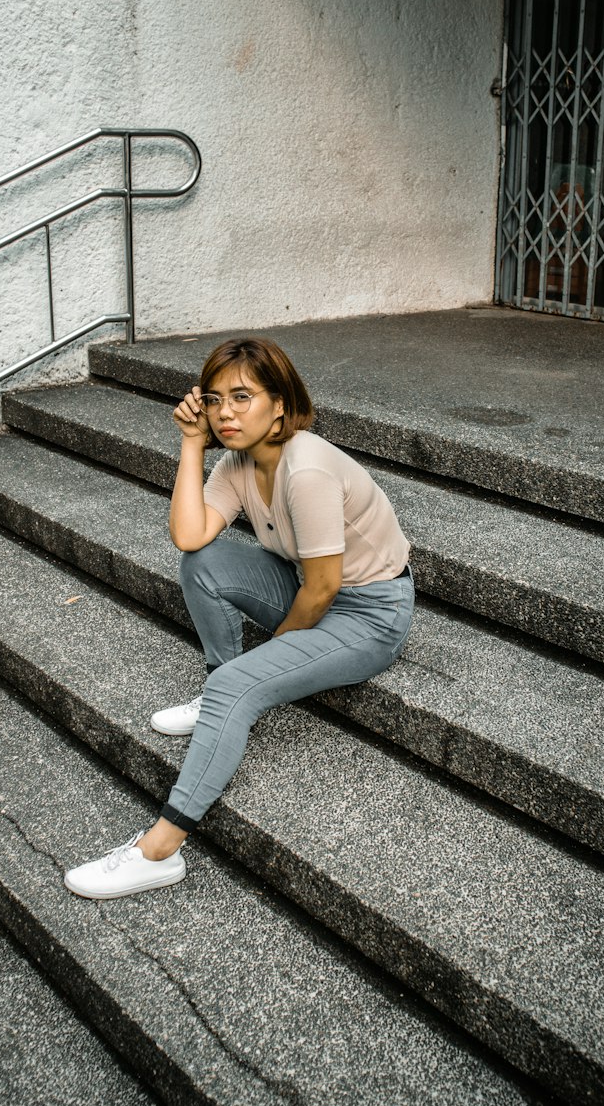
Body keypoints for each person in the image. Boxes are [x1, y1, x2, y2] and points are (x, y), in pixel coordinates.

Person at [65, 336, 414, 899]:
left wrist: (263, 662)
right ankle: (220, 691)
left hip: (369, 615)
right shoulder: (238, 462)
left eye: (242, 397)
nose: (225, 412)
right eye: (214, 399)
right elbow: (190, 534)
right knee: (204, 561)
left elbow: (326, 587)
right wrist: (190, 445)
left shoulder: (307, 471)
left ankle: (160, 850)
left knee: (236, 686)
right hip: (308, 586)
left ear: (280, 404)